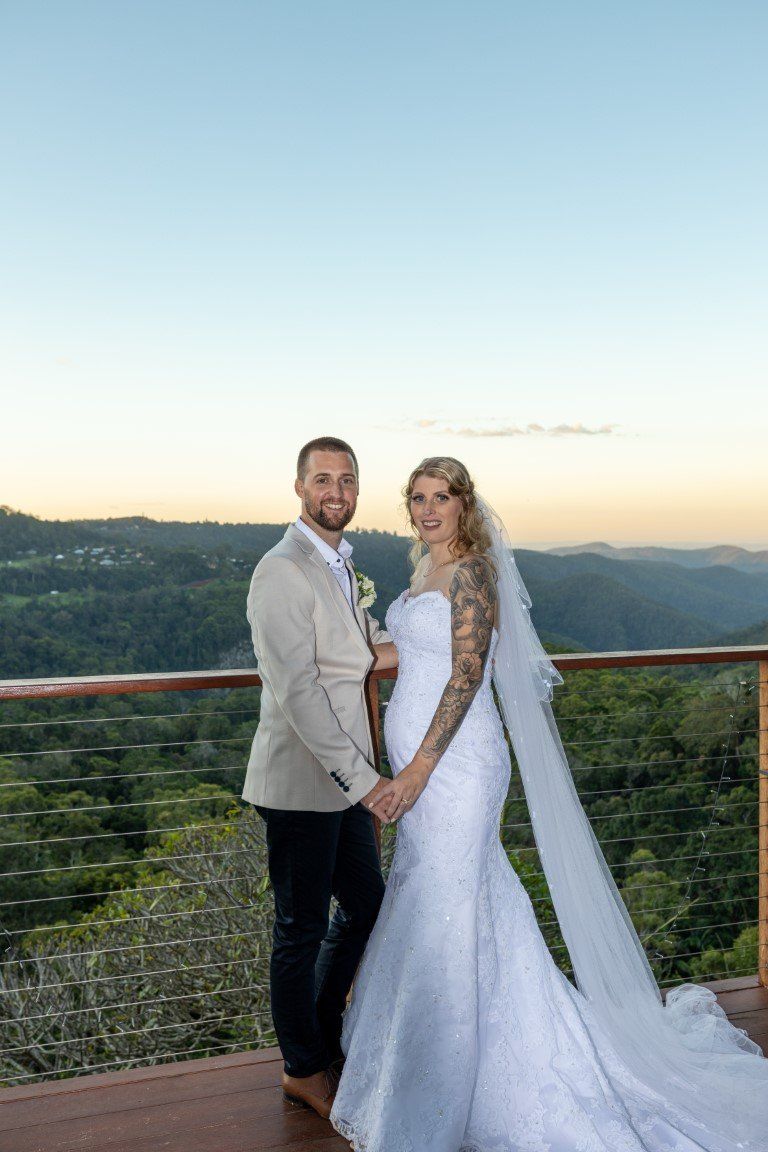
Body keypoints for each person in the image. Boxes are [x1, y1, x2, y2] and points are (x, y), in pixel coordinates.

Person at [330, 456, 767, 1152]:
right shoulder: (421, 576)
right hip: (420, 770)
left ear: (464, 505)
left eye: (442, 497)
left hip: (457, 767)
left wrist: (414, 770)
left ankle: (458, 1083)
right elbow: (411, 659)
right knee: (447, 900)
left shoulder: (473, 571)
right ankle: (426, 1063)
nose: (429, 509)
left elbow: (467, 677)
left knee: (448, 901)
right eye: (418, 497)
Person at [242, 436, 397, 1119]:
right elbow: (298, 689)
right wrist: (363, 781)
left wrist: (459, 640)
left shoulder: (338, 565)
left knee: (367, 905)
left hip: (344, 785)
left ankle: (325, 1032)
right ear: (300, 487)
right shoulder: (281, 570)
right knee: (300, 929)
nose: (336, 491)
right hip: (306, 784)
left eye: (347, 480)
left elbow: (365, 650)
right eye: (323, 479)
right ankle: (302, 1068)